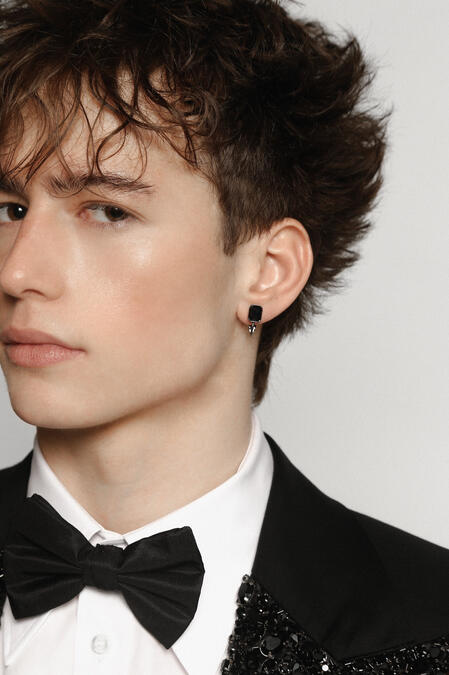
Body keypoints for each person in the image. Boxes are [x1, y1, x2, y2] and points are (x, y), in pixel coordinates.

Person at [0, 0, 448, 673]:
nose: (16, 271)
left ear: (268, 272)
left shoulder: (430, 623)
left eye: (107, 210)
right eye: (10, 208)